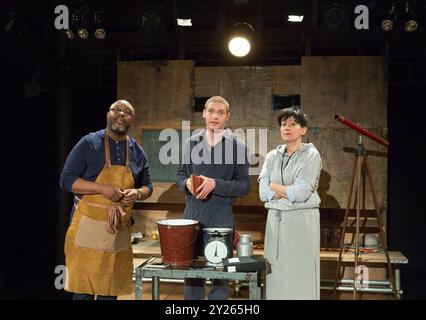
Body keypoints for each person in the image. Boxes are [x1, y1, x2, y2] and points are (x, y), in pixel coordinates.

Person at [59, 100, 153, 300]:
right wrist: (102, 188)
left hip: (116, 230)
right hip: (87, 227)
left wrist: (137, 193)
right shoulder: (88, 143)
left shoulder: (138, 152)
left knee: (109, 292)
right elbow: (66, 181)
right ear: (108, 114)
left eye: (126, 112)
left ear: (132, 120)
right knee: (83, 290)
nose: (121, 114)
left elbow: (148, 187)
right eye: (116, 110)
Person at [176, 96, 251, 300]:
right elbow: (180, 176)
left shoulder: (239, 147)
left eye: (220, 112)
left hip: (221, 217)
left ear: (227, 117)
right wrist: (187, 184)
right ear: (204, 114)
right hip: (191, 216)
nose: (215, 116)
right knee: (192, 277)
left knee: (220, 277)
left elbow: (245, 186)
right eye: (211, 111)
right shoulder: (190, 144)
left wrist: (215, 184)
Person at [258, 107, 322, 300]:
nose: (287, 127)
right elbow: (263, 193)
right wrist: (284, 189)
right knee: (276, 275)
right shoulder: (271, 156)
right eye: (283, 124)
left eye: (293, 124)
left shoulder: (311, 155)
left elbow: (301, 193)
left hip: (301, 221)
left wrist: (273, 186)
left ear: (303, 130)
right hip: (275, 222)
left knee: (300, 276)